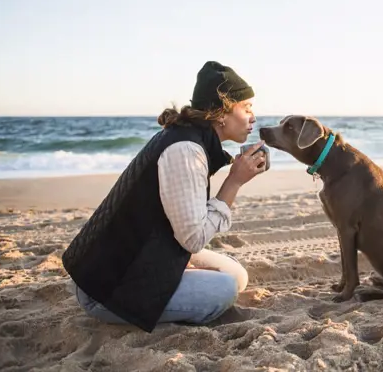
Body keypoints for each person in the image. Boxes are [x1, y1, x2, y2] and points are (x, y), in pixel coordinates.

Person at [62, 61, 267, 332]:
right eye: (246, 107)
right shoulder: (186, 151)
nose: (253, 117)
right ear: (221, 113)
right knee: (225, 290)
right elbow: (193, 238)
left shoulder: (188, 139)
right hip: (105, 288)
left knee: (237, 276)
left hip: (134, 256)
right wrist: (234, 181)